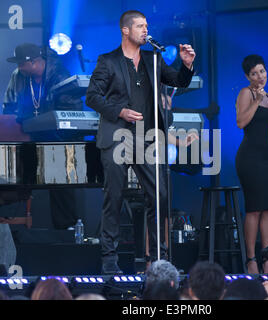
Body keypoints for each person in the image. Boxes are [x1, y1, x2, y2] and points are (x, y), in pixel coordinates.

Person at [85, 10, 195, 274]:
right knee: (114, 196)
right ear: (125, 30)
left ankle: (159, 258)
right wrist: (119, 111)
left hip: (146, 139)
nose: (146, 30)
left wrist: (187, 65)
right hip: (116, 138)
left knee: (160, 195)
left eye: (147, 26)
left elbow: (178, 81)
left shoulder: (153, 59)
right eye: (140, 26)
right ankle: (109, 260)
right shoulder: (108, 61)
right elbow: (92, 96)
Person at [3, 43, 83, 230]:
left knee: (61, 178)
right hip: (28, 132)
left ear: (35, 62)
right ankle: (13, 226)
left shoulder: (59, 75)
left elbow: (71, 110)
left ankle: (66, 228)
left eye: (22, 64)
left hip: (59, 136)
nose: (19, 68)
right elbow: (9, 105)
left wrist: (46, 121)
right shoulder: (19, 76)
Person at [235, 54, 268, 274]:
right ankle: (251, 259)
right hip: (249, 158)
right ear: (248, 76)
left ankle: (267, 258)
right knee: (254, 209)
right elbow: (240, 122)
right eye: (254, 73)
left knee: (267, 209)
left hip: (267, 158)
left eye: (262, 71)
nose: (260, 76)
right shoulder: (246, 93)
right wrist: (256, 101)